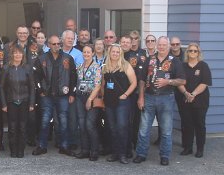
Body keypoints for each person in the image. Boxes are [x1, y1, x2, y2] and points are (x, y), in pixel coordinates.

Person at [134, 36, 185, 166]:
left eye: (164, 45)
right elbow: (141, 80)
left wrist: (168, 81)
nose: (161, 47)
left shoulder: (175, 61)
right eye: (160, 45)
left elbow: (182, 80)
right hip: (149, 97)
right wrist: (141, 97)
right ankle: (141, 154)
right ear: (157, 45)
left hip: (166, 98)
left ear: (168, 46)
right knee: (144, 129)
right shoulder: (150, 59)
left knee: (166, 130)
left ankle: (165, 156)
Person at [89, 44, 137, 164]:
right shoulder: (105, 66)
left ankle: (123, 154)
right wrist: (103, 97)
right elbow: (103, 84)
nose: (115, 54)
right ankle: (115, 153)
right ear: (109, 53)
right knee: (112, 128)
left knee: (122, 127)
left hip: (122, 102)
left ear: (120, 53)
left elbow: (134, 83)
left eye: (117, 52)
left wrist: (125, 95)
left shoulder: (126, 65)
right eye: (113, 52)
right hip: (109, 102)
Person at [33, 34, 77, 156]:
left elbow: (73, 77)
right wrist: (40, 91)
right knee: (45, 120)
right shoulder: (41, 59)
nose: (57, 46)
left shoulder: (68, 58)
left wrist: (72, 93)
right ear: (48, 45)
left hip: (63, 95)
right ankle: (42, 146)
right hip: (46, 95)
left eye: (59, 44)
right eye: (54, 44)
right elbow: (36, 77)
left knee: (63, 121)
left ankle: (64, 146)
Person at [0, 44, 35, 158]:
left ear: (23, 55)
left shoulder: (27, 68)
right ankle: (13, 150)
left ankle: (21, 150)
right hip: (11, 101)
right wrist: (4, 104)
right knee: (12, 127)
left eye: (20, 53)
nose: (18, 55)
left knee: (23, 127)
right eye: (15, 53)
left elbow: (32, 87)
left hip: (24, 101)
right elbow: (1, 87)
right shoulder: (6, 68)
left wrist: (31, 103)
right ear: (12, 55)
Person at [179, 43, 212, 158]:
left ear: (198, 53)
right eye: (190, 50)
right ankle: (188, 148)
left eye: (195, 51)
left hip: (200, 100)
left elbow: (205, 83)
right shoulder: (182, 66)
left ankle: (200, 149)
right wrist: (185, 93)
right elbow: (179, 82)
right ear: (187, 52)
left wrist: (193, 94)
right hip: (185, 98)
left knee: (199, 125)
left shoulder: (203, 66)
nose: (192, 53)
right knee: (187, 124)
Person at [72, 43, 101, 160]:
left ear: (93, 53)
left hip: (91, 97)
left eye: (88, 52)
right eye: (84, 52)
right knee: (82, 124)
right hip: (80, 97)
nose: (86, 54)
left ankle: (94, 151)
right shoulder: (79, 66)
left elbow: (98, 85)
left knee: (90, 124)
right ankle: (84, 150)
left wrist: (90, 99)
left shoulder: (96, 67)